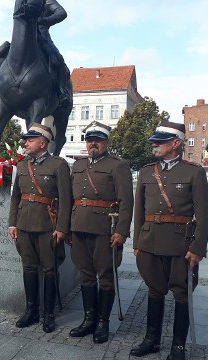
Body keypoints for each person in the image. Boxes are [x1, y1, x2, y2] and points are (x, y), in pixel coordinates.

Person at [131, 121, 208, 360]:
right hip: (150, 242)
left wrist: (197, 248)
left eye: (161, 141)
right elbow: (139, 210)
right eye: (155, 141)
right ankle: (151, 340)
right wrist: (137, 243)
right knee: (154, 291)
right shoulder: (146, 172)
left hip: (180, 244)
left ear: (176, 143)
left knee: (182, 294)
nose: (154, 144)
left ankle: (178, 346)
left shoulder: (193, 172)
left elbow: (203, 214)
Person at [68, 121, 133, 343]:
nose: (92, 143)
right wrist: (66, 227)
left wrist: (122, 231)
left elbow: (126, 201)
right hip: (78, 227)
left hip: (105, 229)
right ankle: (89, 320)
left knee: (105, 276)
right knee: (85, 274)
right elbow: (69, 199)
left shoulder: (118, 165)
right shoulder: (77, 166)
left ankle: (103, 323)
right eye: (89, 139)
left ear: (106, 142)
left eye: (97, 139)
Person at [8, 123, 72, 333]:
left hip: (48, 225)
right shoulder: (21, 165)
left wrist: (62, 228)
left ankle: (49, 314)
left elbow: (65, 199)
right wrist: (12, 223)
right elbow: (15, 196)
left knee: (50, 269)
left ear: (42, 142)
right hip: (25, 225)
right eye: (26, 140)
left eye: (30, 140)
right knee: (28, 267)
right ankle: (31, 311)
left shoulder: (58, 165)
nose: (25, 143)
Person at [0, 0, 70, 110]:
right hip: (22, 35)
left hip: (41, 36)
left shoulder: (48, 1)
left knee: (58, 60)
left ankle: (61, 92)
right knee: (1, 59)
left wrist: (43, 21)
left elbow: (61, 13)